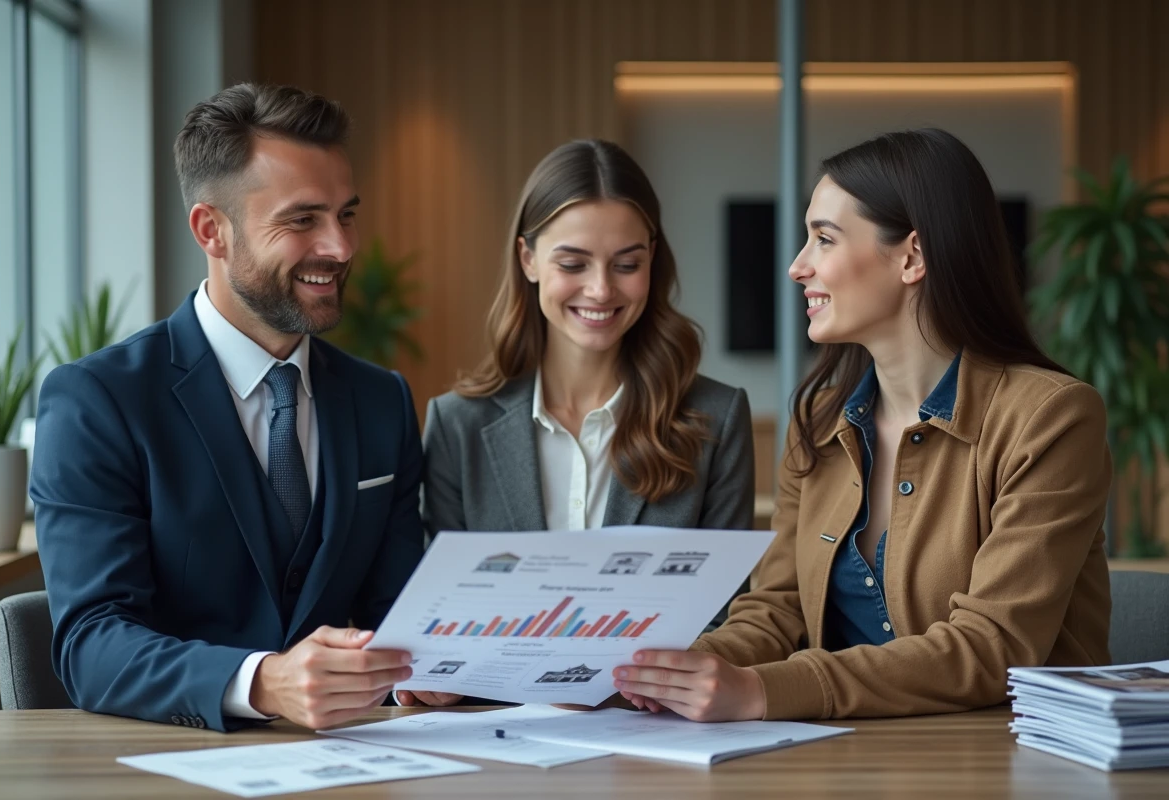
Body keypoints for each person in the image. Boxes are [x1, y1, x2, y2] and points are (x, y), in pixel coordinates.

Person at [608, 128, 1112, 721]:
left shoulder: (1049, 418)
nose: (797, 267)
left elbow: (992, 648)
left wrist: (765, 691)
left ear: (912, 256)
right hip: (836, 755)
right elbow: (777, 610)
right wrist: (659, 671)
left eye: (823, 238)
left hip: (1004, 758)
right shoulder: (818, 420)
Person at [31, 84, 420, 732]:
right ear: (211, 229)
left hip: (350, 767)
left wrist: (430, 674)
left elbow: (403, 616)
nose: (342, 247)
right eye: (303, 220)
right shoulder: (98, 401)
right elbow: (92, 644)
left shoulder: (383, 400)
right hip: (160, 770)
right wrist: (263, 682)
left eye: (346, 214)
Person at [398, 138, 755, 708]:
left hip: (654, 737)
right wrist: (430, 677)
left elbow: (732, 614)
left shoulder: (715, 418)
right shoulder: (456, 425)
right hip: (500, 744)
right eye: (572, 263)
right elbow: (443, 615)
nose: (600, 289)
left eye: (627, 264)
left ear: (652, 262)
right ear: (528, 259)